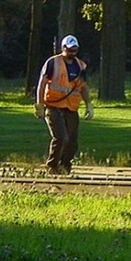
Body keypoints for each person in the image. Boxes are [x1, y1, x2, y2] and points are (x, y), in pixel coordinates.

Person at [34, 35, 93, 174]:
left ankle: (65, 167)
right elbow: (41, 84)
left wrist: (89, 104)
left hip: (71, 108)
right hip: (53, 106)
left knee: (72, 142)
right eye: (70, 50)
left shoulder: (80, 66)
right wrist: (39, 105)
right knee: (61, 137)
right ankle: (52, 166)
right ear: (63, 48)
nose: (73, 53)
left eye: (75, 50)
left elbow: (83, 87)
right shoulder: (52, 63)